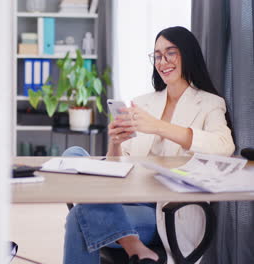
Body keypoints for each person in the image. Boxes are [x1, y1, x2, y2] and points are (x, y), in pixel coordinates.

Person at [63, 26, 235, 264]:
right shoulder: (144, 103)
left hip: (163, 211)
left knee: (79, 217)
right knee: (73, 155)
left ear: (188, 54)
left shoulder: (209, 103)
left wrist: (158, 126)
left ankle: (134, 245)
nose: (162, 61)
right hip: (126, 195)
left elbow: (224, 145)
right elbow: (119, 163)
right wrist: (115, 144)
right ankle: (135, 246)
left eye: (170, 53)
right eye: (157, 55)